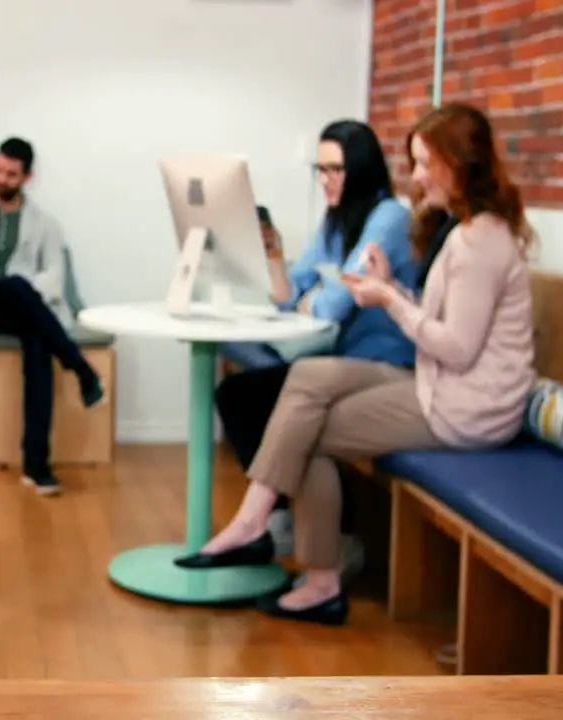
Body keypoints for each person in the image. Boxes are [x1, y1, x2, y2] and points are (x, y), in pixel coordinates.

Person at [176, 103, 536, 626]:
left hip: (465, 407)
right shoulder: (470, 231)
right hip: (443, 385)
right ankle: (261, 524)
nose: (414, 178)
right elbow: (447, 321)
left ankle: (313, 572)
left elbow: (456, 347)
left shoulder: (478, 241)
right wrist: (394, 287)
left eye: (423, 164)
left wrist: (389, 300)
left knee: (310, 431)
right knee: (306, 378)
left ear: (457, 164)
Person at [211, 120, 417, 566]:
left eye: (335, 169)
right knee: (237, 394)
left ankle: (283, 526)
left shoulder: (390, 219)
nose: (325, 180)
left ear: (361, 169)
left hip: (387, 366)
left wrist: (315, 301)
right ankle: (279, 520)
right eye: (320, 170)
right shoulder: (336, 222)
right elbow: (291, 297)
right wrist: (274, 257)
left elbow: (336, 304)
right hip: (343, 364)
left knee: (260, 399)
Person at [0, 137, 103, 497]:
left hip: (26, 307)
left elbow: (53, 276)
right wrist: (10, 283)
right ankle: (80, 368)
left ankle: (37, 465)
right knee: (13, 286)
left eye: (11, 174)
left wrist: (20, 285)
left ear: (27, 178)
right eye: (0, 170)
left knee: (35, 337)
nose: (2, 178)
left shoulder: (46, 224)